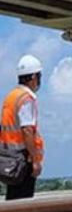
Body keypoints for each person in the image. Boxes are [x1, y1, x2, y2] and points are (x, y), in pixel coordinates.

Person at [1, 55, 45, 200]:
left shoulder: (11, 96)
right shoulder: (26, 98)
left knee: (13, 198)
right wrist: (35, 160)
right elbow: (27, 131)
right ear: (33, 77)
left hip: (9, 157)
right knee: (23, 198)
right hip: (23, 158)